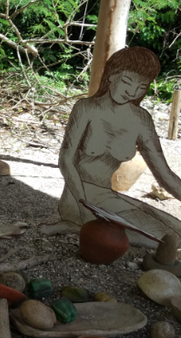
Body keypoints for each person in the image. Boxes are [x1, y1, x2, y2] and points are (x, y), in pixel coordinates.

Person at [41, 46, 181, 247]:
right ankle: (77, 224)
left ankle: (79, 227)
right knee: (165, 241)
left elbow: (164, 174)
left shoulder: (141, 119)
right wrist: (83, 205)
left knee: (177, 232)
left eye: (142, 86)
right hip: (77, 197)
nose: (132, 91)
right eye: (127, 81)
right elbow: (66, 159)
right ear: (111, 76)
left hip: (108, 196)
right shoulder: (86, 108)